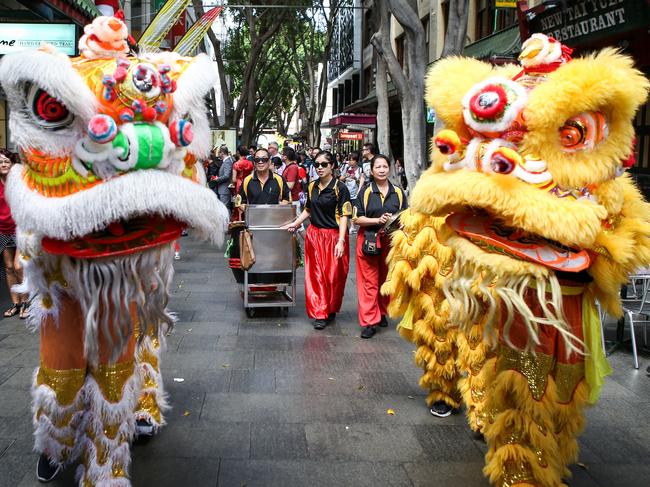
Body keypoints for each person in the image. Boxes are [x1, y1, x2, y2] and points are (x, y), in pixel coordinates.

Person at [282, 151, 352, 329]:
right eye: (317, 164)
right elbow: (308, 209)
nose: (320, 168)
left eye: (324, 164)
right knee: (316, 276)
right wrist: (295, 224)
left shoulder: (340, 188)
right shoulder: (312, 186)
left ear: (332, 166)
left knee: (334, 277)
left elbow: (345, 215)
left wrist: (341, 241)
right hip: (314, 236)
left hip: (334, 236)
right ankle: (320, 312)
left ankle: (331, 308)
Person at [353, 154, 407, 338]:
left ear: (389, 169)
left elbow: (405, 217)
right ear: (372, 170)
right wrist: (377, 220)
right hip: (368, 238)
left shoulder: (398, 192)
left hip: (390, 241)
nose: (382, 170)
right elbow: (356, 218)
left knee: (386, 280)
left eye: (385, 166)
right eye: (378, 167)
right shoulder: (366, 192)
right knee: (369, 282)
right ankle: (369, 321)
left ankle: (382, 312)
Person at [0, 149, 27, 319]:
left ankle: (26, 302)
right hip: (2, 230)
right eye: (0, 162)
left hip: (20, 229)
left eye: (5, 162)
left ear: (12, 164)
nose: (2, 165)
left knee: (19, 267)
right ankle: (16, 304)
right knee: (9, 268)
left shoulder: (19, 181)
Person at [339, 151, 363, 234]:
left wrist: (355, 178)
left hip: (355, 193)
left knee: (354, 210)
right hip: (347, 192)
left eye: (352, 160)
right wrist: (345, 176)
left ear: (356, 161)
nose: (350, 162)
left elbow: (362, 181)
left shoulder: (360, 169)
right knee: (347, 210)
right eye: (349, 160)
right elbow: (340, 178)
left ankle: (352, 227)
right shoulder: (346, 168)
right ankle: (349, 226)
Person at [209, 145, 234, 213]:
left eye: (219, 153)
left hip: (224, 189)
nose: (218, 154)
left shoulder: (227, 162)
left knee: (225, 208)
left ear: (222, 153)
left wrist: (217, 179)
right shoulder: (227, 161)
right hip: (224, 189)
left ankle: (227, 223)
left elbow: (226, 176)